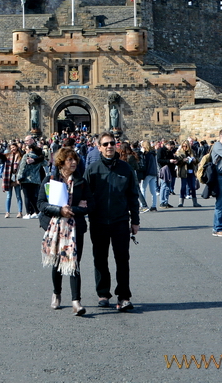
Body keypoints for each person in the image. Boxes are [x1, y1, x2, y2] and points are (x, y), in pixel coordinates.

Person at [85, 133, 139, 311]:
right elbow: (84, 195)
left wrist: (135, 220)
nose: (109, 146)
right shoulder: (92, 169)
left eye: (112, 143)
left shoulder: (125, 169)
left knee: (122, 259)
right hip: (98, 221)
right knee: (100, 259)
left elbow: (133, 196)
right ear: (98, 147)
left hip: (120, 220)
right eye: (105, 144)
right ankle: (103, 293)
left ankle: (124, 296)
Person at [38, 147, 91, 316]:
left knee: (74, 264)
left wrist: (73, 209)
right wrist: (59, 211)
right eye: (69, 160)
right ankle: (57, 293)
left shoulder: (81, 182)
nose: (74, 162)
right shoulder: (51, 179)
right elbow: (40, 203)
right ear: (61, 162)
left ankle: (76, 301)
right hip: (56, 228)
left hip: (75, 228)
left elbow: (89, 205)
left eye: (75, 159)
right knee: (57, 263)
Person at [18, 141, 46, 219]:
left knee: (27, 196)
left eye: (27, 148)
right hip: (36, 179)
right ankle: (36, 212)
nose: (25, 150)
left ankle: (28, 213)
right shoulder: (37, 157)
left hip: (26, 179)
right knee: (33, 196)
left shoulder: (26, 156)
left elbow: (22, 168)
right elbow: (46, 163)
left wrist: (19, 178)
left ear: (30, 149)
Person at [2, 143, 24, 218]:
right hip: (9, 178)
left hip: (17, 178)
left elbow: (21, 168)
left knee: (18, 196)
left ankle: (20, 212)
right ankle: (7, 212)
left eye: (14, 147)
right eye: (11, 148)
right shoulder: (8, 156)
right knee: (8, 196)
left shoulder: (20, 156)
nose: (12, 149)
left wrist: (19, 179)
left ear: (17, 147)